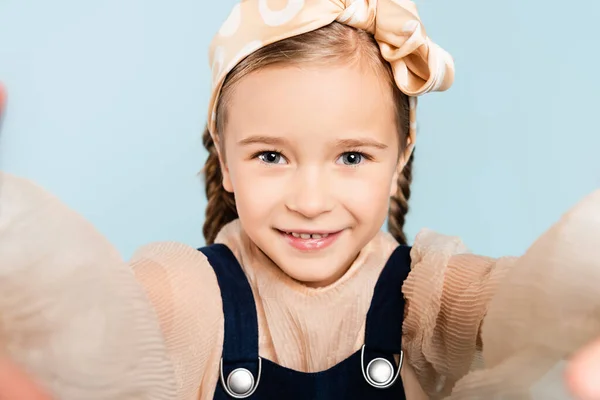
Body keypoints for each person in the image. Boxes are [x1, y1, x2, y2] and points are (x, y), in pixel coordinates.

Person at [1, 1, 600, 399]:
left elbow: (539, 299)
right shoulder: (188, 297)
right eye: (271, 157)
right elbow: (83, 314)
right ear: (226, 157)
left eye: (351, 158)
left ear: (401, 157)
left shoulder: (431, 298)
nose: (311, 202)